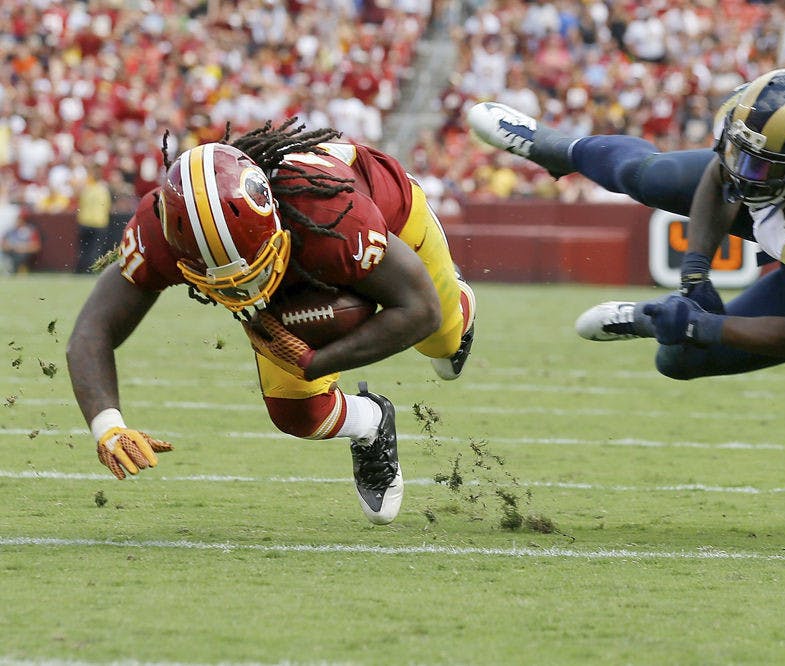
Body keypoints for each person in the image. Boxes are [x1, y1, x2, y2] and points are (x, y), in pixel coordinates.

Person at [66, 120, 477, 525]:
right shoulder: (160, 232)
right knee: (297, 413)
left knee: (441, 340)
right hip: (308, 255)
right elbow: (91, 332)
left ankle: (462, 303)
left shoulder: (330, 214)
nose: (247, 293)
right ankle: (372, 421)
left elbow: (417, 310)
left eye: (254, 273)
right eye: (224, 283)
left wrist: (313, 361)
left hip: (388, 215)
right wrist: (107, 425)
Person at [468, 68, 785, 379]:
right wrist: (695, 273)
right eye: (740, 150)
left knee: (679, 359)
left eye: (759, 164)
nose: (739, 168)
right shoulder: (779, 140)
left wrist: (697, 326)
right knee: (647, 175)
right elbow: (724, 169)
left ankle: (654, 318)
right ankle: (559, 149)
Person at [75, 164, 112, 273]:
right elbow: (108, 206)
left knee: (84, 249)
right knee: (95, 249)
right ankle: (91, 271)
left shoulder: (86, 188)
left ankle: (81, 270)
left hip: (85, 221)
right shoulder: (103, 189)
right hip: (99, 222)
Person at [1, 210, 41, 274]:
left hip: (24, 253)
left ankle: (19, 270)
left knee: (20, 256)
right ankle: (8, 270)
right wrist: (11, 246)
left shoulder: (30, 230)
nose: (18, 221)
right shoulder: (10, 231)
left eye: (20, 219)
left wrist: (22, 248)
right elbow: (3, 244)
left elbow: (36, 246)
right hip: (11, 252)